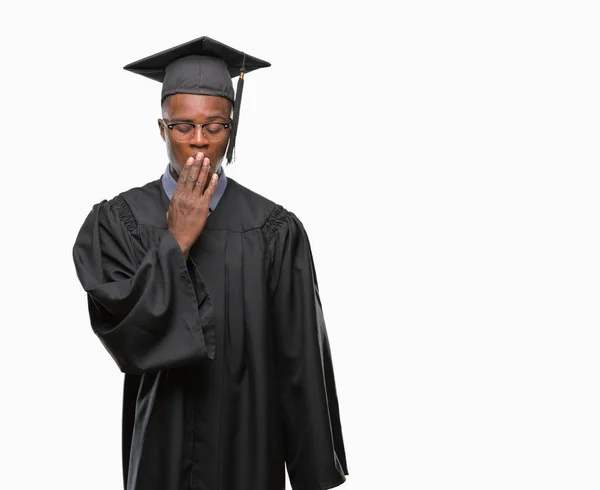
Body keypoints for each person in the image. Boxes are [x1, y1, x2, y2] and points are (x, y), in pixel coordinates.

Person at [72, 36, 348, 490]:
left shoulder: (274, 230)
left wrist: (312, 473)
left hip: (250, 446)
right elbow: (125, 337)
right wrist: (175, 241)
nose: (198, 142)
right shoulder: (120, 222)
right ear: (162, 129)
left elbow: (299, 361)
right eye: (183, 127)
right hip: (161, 445)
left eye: (214, 127)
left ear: (231, 130)